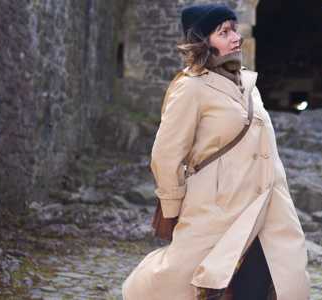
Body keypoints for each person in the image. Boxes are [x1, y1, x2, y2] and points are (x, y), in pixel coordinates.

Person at [122, 4, 310, 300]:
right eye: (224, 32)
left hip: (267, 210)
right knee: (191, 284)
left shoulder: (249, 84)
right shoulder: (190, 88)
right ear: (202, 41)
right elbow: (166, 155)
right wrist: (171, 212)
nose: (236, 37)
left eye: (234, 29)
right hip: (219, 210)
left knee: (271, 285)